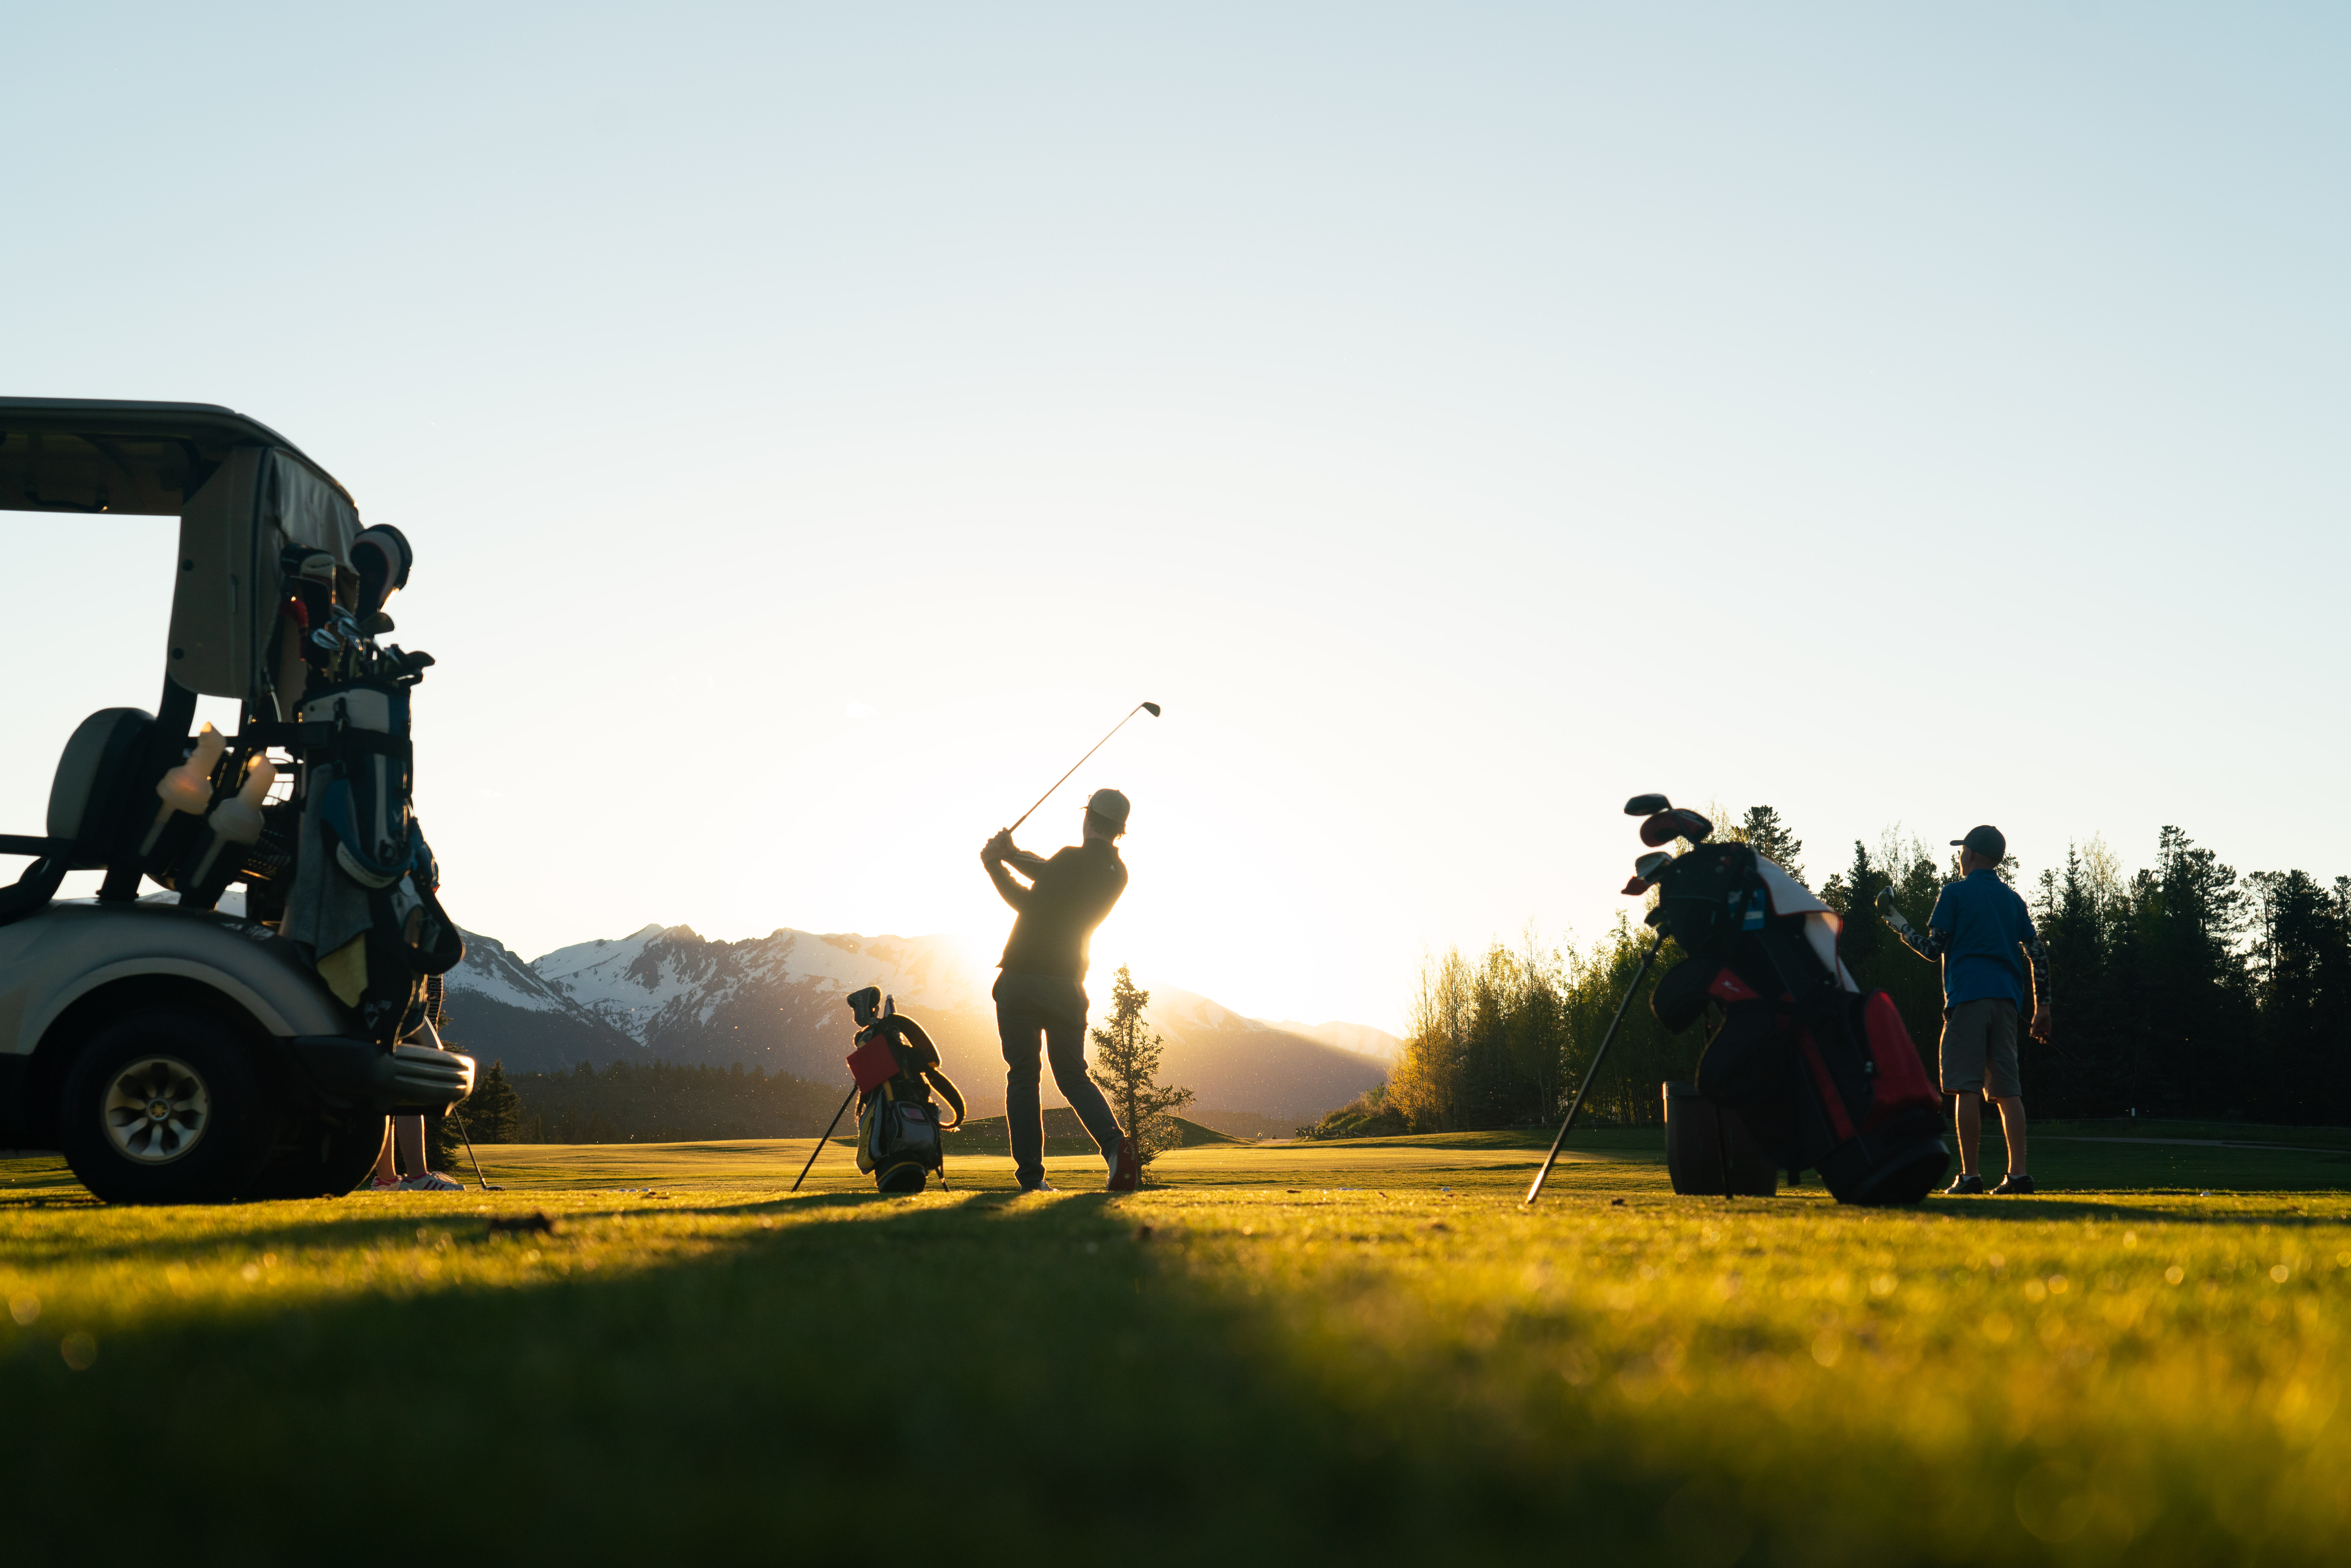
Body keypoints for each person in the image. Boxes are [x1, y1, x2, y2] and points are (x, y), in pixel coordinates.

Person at [981, 788, 1140, 1193]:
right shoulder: (1118, 875)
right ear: (1121, 830)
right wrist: (1010, 855)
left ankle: (1032, 1180)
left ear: (1088, 819)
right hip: (1068, 986)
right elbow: (1046, 874)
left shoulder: (1069, 858)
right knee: (1072, 1075)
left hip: (1021, 980)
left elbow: (1029, 893)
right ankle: (1113, 1145)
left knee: (1023, 1078)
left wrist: (996, 863)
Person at [1878, 824, 2050, 1195]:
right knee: (2008, 1091)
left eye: (1961, 852)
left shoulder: (1953, 894)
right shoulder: (2012, 900)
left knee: (1966, 1088)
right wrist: (2043, 1008)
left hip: (1967, 999)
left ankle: (1970, 1176)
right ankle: (2018, 1176)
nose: (1959, 857)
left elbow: (1931, 949)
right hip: (2006, 1002)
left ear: (1970, 855)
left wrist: (1896, 922)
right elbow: (2037, 954)